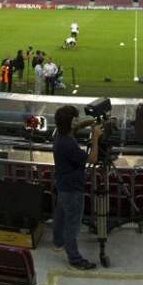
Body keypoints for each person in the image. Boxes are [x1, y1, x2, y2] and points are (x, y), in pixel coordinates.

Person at [52, 105, 100, 270]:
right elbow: (92, 159)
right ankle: (74, 259)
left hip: (62, 184)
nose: (78, 121)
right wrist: (95, 138)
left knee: (60, 214)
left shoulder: (59, 134)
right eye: (76, 118)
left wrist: (90, 122)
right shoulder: (68, 144)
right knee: (72, 225)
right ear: (70, 123)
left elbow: (76, 127)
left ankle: (58, 242)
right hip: (72, 189)